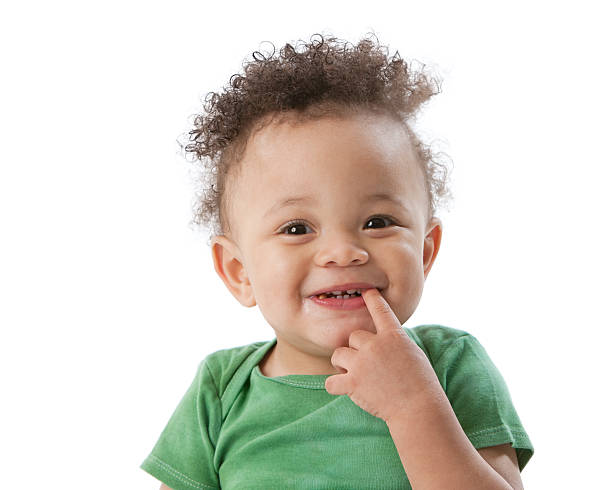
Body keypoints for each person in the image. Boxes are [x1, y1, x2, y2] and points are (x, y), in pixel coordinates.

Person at [140, 33, 534, 490]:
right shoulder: (221, 389)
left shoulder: (449, 365)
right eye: (297, 228)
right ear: (238, 271)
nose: (343, 251)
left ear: (425, 252)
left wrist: (413, 405)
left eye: (378, 220)